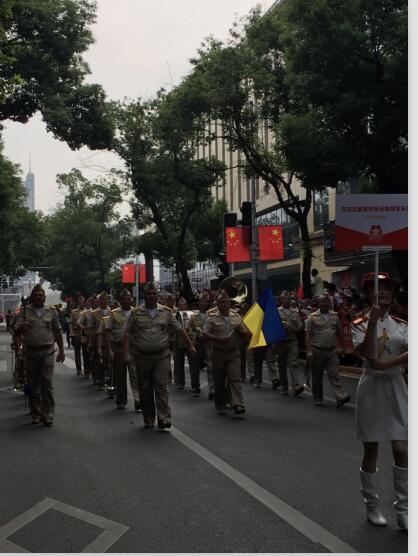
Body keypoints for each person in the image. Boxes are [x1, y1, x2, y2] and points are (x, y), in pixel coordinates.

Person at [351, 273, 408, 530]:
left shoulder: (401, 324)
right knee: (372, 448)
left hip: (396, 386)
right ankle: (372, 506)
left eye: (386, 289)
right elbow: (368, 356)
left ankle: (404, 509)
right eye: (377, 289)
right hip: (372, 386)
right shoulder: (359, 323)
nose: (382, 293)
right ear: (368, 295)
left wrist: (392, 363)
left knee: (401, 448)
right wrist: (372, 324)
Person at [124, 282, 196, 430]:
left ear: (157, 295)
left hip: (161, 355)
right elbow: (127, 332)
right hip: (142, 356)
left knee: (161, 386)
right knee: (145, 388)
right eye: (149, 294)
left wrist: (190, 345)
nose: (152, 296)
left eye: (154, 293)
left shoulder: (166, 312)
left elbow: (179, 329)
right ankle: (149, 417)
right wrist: (126, 353)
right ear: (145, 295)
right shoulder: (136, 313)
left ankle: (163, 418)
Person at [13, 284, 65, 426]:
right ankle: (36, 413)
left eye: (40, 295)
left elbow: (58, 332)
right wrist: (20, 329)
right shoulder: (24, 312)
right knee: (33, 384)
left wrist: (61, 350)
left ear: (44, 297)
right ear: (32, 297)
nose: (38, 297)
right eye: (35, 295)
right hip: (31, 352)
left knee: (47, 384)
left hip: (47, 351)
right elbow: (16, 331)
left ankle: (48, 415)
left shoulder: (51, 312)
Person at [203, 290, 250, 416]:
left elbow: (245, 333)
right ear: (217, 304)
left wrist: (244, 334)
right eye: (221, 302)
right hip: (218, 353)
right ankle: (220, 404)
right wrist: (217, 339)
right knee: (219, 381)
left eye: (227, 302)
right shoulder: (211, 318)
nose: (225, 304)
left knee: (235, 378)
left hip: (233, 353)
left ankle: (237, 403)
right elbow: (205, 334)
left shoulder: (236, 316)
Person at [305, 290, 351, 407]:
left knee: (334, 373)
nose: (324, 304)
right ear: (318, 303)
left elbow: (340, 332)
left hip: (331, 350)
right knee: (317, 376)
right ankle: (318, 397)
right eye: (322, 302)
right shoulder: (312, 317)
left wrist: (344, 347)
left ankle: (340, 395)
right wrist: (309, 350)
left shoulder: (334, 316)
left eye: (326, 302)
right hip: (317, 349)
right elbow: (308, 334)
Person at [105, 289, 140, 411]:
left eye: (128, 298)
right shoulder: (114, 314)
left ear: (131, 299)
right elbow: (108, 332)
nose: (126, 301)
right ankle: (121, 400)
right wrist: (109, 350)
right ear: (120, 301)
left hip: (133, 348)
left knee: (135, 375)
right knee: (119, 376)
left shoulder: (137, 312)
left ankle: (138, 400)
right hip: (118, 348)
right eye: (123, 299)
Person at [186, 292, 214, 398]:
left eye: (206, 301)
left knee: (211, 367)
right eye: (202, 301)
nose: (204, 303)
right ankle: (195, 388)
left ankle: (212, 389)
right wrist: (194, 335)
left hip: (209, 343)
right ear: (199, 303)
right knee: (195, 367)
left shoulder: (211, 315)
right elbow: (187, 330)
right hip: (198, 344)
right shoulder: (193, 317)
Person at [277, 292, 304, 396]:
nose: (286, 301)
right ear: (281, 300)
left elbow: (300, 326)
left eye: (288, 299)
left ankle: (296, 385)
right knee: (282, 365)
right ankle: (284, 386)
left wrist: (295, 329)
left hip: (292, 340)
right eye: (284, 299)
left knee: (293, 363)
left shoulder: (295, 312)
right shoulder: (277, 312)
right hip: (281, 341)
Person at [173, 297, 193, 389]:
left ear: (186, 305)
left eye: (184, 304)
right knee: (179, 363)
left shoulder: (192, 315)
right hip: (178, 341)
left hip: (189, 341)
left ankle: (195, 384)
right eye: (180, 305)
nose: (182, 306)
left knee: (193, 363)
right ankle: (180, 381)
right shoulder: (174, 315)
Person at [69, 296, 86, 375]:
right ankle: (79, 369)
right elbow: (70, 323)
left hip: (85, 334)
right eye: (80, 302)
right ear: (78, 303)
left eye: (82, 302)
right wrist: (71, 332)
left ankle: (87, 369)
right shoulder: (74, 312)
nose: (81, 303)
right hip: (77, 334)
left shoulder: (88, 312)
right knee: (77, 353)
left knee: (86, 353)